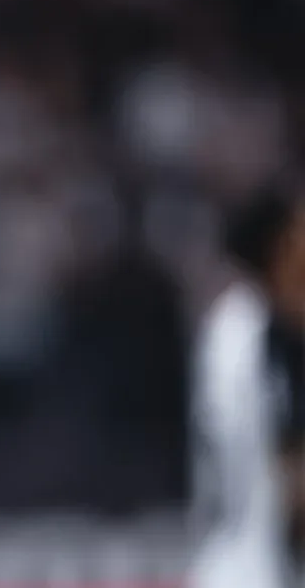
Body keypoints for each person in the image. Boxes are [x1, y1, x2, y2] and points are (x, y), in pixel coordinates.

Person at [189, 184, 305, 588]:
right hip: (252, 561)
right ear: (278, 251)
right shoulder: (247, 331)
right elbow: (273, 461)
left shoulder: (244, 324)